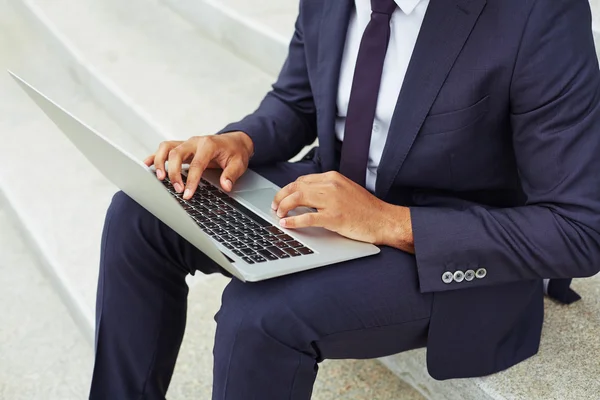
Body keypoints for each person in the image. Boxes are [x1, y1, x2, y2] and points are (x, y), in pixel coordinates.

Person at [89, 0, 600, 398]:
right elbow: (298, 100)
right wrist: (240, 141)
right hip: (333, 195)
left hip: (445, 236)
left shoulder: (537, 13)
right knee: (141, 211)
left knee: (258, 316)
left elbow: (580, 228)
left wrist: (388, 221)